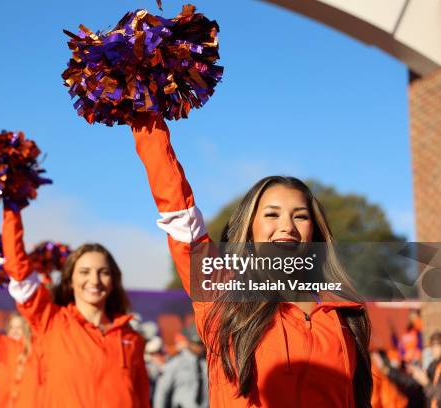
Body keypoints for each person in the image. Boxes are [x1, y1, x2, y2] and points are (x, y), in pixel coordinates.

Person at [130, 114, 372, 407]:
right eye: (272, 214)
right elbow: (182, 218)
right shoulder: (223, 294)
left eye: (301, 216)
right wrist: (145, 113)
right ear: (249, 228)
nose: (287, 226)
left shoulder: (344, 313)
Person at [2, 208, 150, 407]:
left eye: (103, 272)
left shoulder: (131, 338)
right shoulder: (51, 322)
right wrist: (12, 206)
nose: (94, 280)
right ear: (70, 280)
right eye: (84, 272)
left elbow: (142, 401)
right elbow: (20, 273)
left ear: (113, 280)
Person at [153, 324, 208, 408]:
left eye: (201, 344)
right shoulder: (175, 363)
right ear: (189, 343)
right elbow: (162, 391)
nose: (199, 347)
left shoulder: (206, 364)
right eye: (196, 344)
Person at [408, 331, 441, 407]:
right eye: (431, 345)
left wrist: (426, 383)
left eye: (435, 345)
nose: (432, 349)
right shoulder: (433, 365)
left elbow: (438, 393)